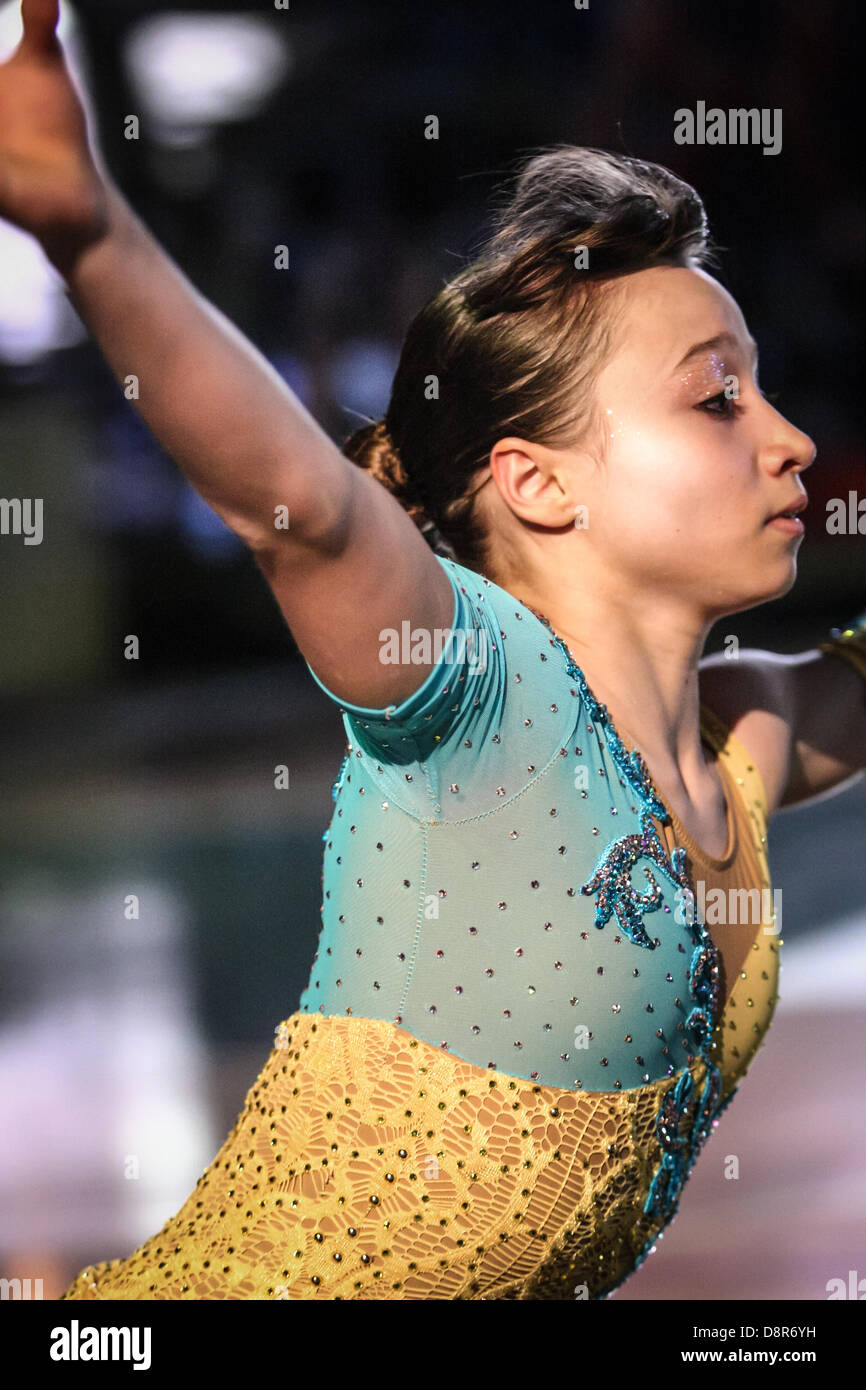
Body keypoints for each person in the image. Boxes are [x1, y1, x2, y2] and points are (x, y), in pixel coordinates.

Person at [2, 0, 863, 1301]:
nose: (788, 437)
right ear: (535, 483)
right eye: (715, 396)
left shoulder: (747, 736)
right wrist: (91, 231)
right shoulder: (481, 687)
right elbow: (296, 509)